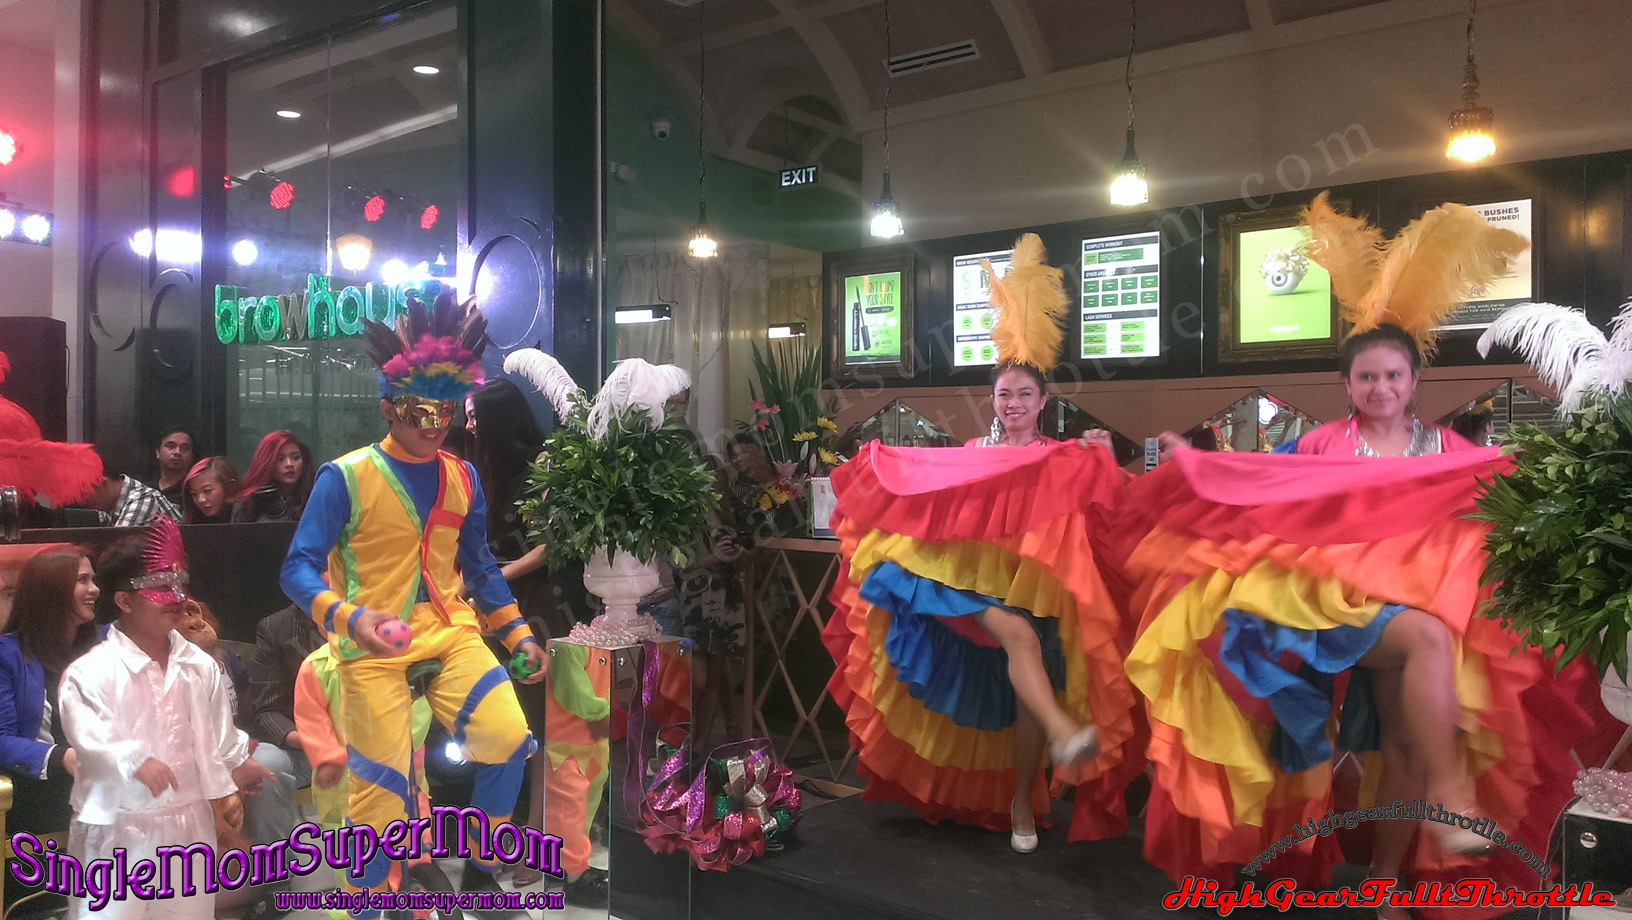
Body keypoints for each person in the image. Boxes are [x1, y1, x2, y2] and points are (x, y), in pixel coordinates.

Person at [1121, 193, 1596, 917]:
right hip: (1327, 605)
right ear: (1346, 385)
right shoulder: (1320, 444)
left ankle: (1386, 881)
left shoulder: (1447, 449)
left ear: (1414, 383)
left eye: (1393, 376)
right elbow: (1261, 489)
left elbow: (1491, 510)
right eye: (1367, 377)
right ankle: (1453, 797)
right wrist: (1196, 465)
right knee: (1426, 641)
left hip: (1406, 608)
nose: (1380, 388)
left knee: (1405, 744)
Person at [825, 233, 1138, 854]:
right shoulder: (971, 453)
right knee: (1020, 638)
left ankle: (1022, 799)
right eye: (1004, 394)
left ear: (1044, 401)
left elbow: (1108, 512)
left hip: (1036, 588)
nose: (1014, 403)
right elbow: (935, 501)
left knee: (1025, 687)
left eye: (1025, 394)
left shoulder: (1060, 457)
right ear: (991, 401)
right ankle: (1063, 734)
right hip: (968, 588)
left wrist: (1101, 464)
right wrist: (882, 467)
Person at [280, 291, 544, 919]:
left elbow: (480, 567)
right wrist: (350, 618)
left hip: (449, 631)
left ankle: (480, 870)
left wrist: (518, 636)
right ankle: (371, 908)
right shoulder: (344, 477)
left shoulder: (463, 476)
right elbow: (296, 568)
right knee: (379, 800)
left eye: (445, 408)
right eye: (420, 409)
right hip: (370, 645)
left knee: (511, 740)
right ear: (388, 407)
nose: (434, 422)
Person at [58, 521, 275, 920]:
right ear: (124, 601)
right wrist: (133, 759)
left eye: (180, 583)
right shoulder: (92, 672)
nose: (176, 597)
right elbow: (88, 732)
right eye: (160, 586)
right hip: (118, 823)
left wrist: (236, 761)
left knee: (188, 912)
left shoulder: (199, 666)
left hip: (189, 819)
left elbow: (218, 728)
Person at [0, 546, 102, 909]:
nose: (95, 589)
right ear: (51, 590)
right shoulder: (8, 654)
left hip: (108, 779)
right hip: (41, 786)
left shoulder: (105, 646)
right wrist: (64, 758)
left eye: (93, 579)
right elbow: (2, 739)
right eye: (82, 580)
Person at [232, 430, 314, 523]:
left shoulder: (315, 498)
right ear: (266, 463)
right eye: (280, 459)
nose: (289, 464)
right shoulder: (246, 504)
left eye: (296, 458)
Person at [83, 451, 180, 527]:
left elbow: (117, 543)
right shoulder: (108, 502)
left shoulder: (142, 499)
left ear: (103, 483)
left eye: (85, 492)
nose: (84, 499)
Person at [180, 456, 240, 524]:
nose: (201, 500)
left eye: (207, 491)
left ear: (230, 486)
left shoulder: (244, 514)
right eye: (194, 494)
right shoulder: (189, 517)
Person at [152, 426, 195, 509]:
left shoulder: (194, 492)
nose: (177, 452)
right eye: (171, 446)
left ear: (191, 455)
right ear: (158, 452)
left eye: (185, 448)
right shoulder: (144, 490)